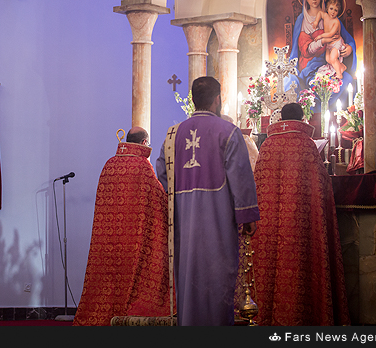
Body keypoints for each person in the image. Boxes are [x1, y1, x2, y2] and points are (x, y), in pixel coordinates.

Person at [156, 76, 260, 326]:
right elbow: (241, 178)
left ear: (193, 101)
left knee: (188, 280)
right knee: (217, 280)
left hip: (185, 223)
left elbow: (162, 173)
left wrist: (183, 192)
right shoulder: (229, 132)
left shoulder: (172, 135)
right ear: (217, 100)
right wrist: (247, 217)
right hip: (218, 222)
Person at [251, 103, 350, 326]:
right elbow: (321, 187)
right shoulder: (306, 145)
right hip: (301, 229)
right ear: (303, 118)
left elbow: (257, 185)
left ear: (280, 117)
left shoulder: (267, 145)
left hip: (270, 229)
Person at [73, 126, 173, 326]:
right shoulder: (143, 167)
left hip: (108, 241)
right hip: (134, 241)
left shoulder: (109, 164)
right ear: (144, 143)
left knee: (108, 282)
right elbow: (158, 199)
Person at [284, 0, 356, 110]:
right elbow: (298, 48)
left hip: (329, 64)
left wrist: (350, 47)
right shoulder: (302, 19)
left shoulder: (331, 16)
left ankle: (338, 116)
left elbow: (347, 38)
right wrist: (321, 41)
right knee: (307, 85)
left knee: (347, 79)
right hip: (308, 67)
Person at [313, 0, 348, 78]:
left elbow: (331, 34)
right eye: (331, 9)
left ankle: (339, 74)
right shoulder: (325, 15)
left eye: (335, 10)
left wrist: (320, 36)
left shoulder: (336, 22)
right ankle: (342, 66)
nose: (333, 12)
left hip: (336, 42)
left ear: (338, 12)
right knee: (328, 59)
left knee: (333, 58)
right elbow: (320, 13)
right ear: (327, 8)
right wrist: (316, 21)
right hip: (329, 44)